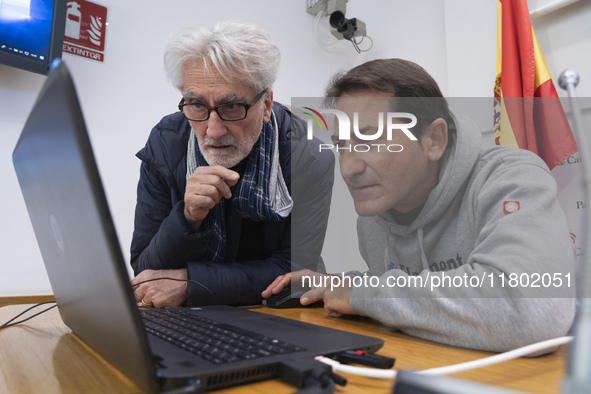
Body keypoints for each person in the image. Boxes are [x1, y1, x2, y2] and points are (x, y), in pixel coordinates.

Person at [263, 58, 575, 353]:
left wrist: (363, 294)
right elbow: (411, 297)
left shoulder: (512, 178)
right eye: (343, 146)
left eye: (369, 139)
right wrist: (345, 283)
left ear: (434, 140)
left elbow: (532, 309)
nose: (348, 169)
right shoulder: (375, 216)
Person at [130, 22, 334, 308]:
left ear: (265, 105)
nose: (213, 130)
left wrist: (192, 284)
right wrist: (187, 217)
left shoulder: (308, 156)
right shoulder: (166, 143)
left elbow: (296, 271)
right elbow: (145, 269)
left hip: (277, 316)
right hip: (185, 320)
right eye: (197, 104)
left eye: (232, 106)